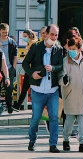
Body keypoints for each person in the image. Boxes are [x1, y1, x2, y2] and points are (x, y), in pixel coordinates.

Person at [23, 23, 64, 153]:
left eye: (56, 35)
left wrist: (54, 68)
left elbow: (61, 66)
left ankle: (53, 145)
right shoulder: (36, 47)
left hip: (52, 90)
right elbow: (25, 63)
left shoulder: (59, 49)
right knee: (36, 117)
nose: (54, 37)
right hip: (38, 90)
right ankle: (32, 140)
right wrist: (32, 73)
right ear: (46, 34)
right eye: (52, 34)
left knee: (54, 117)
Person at [59, 36, 83, 153]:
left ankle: (82, 143)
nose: (71, 51)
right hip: (71, 96)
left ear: (79, 49)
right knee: (69, 122)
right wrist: (64, 80)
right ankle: (66, 140)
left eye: (73, 48)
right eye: (69, 48)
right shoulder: (66, 61)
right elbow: (60, 79)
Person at [15, 28, 38, 110]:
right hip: (29, 69)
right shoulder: (29, 44)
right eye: (23, 36)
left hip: (31, 69)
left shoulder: (33, 44)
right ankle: (18, 105)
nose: (24, 38)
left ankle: (18, 105)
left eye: (25, 36)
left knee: (26, 88)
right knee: (25, 88)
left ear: (30, 36)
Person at [0, 22, 18, 113]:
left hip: (9, 68)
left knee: (9, 89)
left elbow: (15, 56)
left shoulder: (12, 42)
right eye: (3, 32)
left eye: (6, 32)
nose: (5, 34)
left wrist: (13, 68)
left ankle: (9, 106)